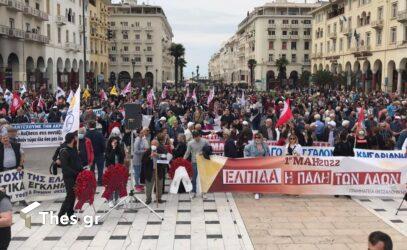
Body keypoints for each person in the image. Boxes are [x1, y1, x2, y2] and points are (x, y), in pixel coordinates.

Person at [58, 132, 83, 225]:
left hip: (76, 176)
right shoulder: (64, 151)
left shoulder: (74, 149)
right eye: (75, 137)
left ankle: (70, 214)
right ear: (73, 139)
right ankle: (60, 216)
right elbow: (65, 167)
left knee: (73, 196)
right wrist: (76, 172)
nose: (76, 138)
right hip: (69, 177)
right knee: (69, 196)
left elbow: (76, 162)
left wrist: (82, 169)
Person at [244, 133, 270, 200]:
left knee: (261, 177)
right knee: (255, 177)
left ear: (261, 138)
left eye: (258, 137)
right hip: (254, 164)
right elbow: (245, 149)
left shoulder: (265, 145)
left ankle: (259, 190)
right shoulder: (251, 145)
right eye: (256, 137)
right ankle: (256, 191)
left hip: (262, 164)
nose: (257, 139)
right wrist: (248, 158)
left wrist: (266, 160)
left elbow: (267, 153)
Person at [142, 139, 167, 204]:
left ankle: (159, 198)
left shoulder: (161, 150)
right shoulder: (147, 152)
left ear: (158, 145)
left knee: (159, 185)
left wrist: (158, 155)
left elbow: (165, 159)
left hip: (159, 171)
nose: (154, 146)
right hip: (150, 172)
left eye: (155, 144)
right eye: (152, 144)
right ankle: (148, 199)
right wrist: (150, 157)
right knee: (149, 187)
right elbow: (144, 161)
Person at [105, 136, 126, 207]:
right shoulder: (108, 149)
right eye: (113, 142)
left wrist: (119, 147)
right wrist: (113, 148)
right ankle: (110, 200)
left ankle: (116, 199)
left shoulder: (119, 149)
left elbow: (122, 157)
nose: (115, 143)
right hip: (110, 169)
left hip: (118, 169)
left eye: (116, 142)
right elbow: (110, 157)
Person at [86, 120, 105, 186]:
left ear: (89, 126)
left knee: (91, 169)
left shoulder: (86, 134)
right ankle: (100, 181)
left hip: (90, 154)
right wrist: (103, 151)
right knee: (100, 169)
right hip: (99, 153)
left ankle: (92, 182)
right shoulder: (99, 134)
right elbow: (103, 144)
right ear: (95, 126)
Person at [133, 128, 149, 192]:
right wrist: (144, 151)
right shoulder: (137, 140)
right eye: (141, 133)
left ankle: (139, 184)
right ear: (138, 134)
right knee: (137, 173)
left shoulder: (141, 139)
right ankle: (136, 185)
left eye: (143, 132)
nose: (143, 134)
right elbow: (136, 151)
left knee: (139, 172)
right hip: (136, 159)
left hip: (140, 159)